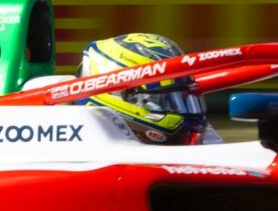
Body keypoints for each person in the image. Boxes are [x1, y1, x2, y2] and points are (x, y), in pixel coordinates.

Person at [74, 31, 213, 145]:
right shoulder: (79, 147)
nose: (188, 112)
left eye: (185, 101)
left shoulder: (208, 139)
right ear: (121, 95)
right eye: (164, 100)